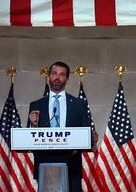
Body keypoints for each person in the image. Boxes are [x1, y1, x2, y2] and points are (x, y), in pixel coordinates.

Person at [27, 61, 98, 192]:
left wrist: (91, 139)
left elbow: (88, 136)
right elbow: (30, 141)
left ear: (67, 79)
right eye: (54, 73)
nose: (57, 78)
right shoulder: (36, 105)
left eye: (62, 74)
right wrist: (33, 126)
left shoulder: (79, 105)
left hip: (72, 167)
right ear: (48, 76)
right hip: (44, 166)